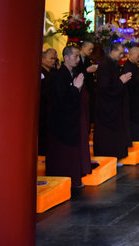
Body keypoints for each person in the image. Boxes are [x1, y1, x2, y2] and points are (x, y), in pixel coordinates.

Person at [45, 46, 90, 188]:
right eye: (76, 56)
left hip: (72, 120)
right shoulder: (59, 76)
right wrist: (75, 88)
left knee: (72, 154)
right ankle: (64, 182)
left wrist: (77, 88)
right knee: (63, 154)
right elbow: (62, 100)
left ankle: (73, 179)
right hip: (62, 123)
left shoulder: (73, 73)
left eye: (78, 56)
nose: (78, 59)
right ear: (66, 58)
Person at [94, 43, 132, 163]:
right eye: (120, 53)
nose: (122, 56)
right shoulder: (105, 65)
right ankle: (109, 158)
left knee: (116, 134)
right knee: (108, 135)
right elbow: (104, 87)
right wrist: (120, 82)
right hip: (107, 106)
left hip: (115, 105)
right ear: (112, 51)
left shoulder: (113, 64)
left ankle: (116, 157)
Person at [39, 48, 59, 156]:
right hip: (42, 109)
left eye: (55, 59)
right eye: (51, 58)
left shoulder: (53, 72)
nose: (53, 61)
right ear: (42, 59)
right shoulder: (40, 73)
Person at [76, 41, 97, 127]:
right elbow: (76, 73)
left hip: (88, 89)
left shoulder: (88, 60)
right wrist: (86, 71)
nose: (91, 51)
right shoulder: (77, 59)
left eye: (92, 49)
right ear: (83, 47)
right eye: (89, 49)